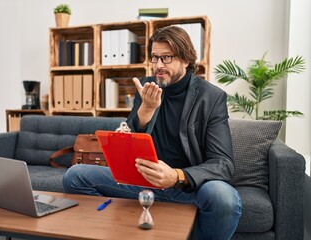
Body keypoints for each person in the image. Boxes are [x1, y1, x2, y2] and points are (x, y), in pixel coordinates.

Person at [63, 25, 242, 239]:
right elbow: (128, 139)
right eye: (154, 57)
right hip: (143, 181)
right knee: (75, 176)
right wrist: (146, 110)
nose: (158, 65)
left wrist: (176, 175)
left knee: (223, 197)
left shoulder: (210, 97)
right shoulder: (146, 87)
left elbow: (223, 163)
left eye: (166, 58)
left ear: (185, 59)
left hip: (187, 187)